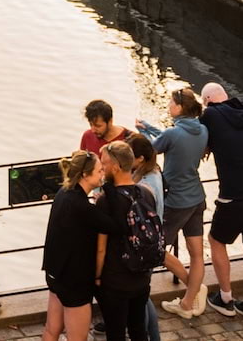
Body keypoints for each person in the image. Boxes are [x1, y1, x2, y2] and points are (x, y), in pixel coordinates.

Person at [198, 82, 243, 323]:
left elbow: (198, 139)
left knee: (216, 241)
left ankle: (225, 299)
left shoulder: (210, 115)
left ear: (207, 100)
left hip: (234, 195)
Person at [140, 86, 209, 317]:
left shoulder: (172, 134)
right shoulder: (203, 130)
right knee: (197, 253)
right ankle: (189, 303)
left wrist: (144, 132)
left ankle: (139, 302)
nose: (169, 105)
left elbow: (152, 150)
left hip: (176, 202)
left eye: (171, 102)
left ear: (180, 107)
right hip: (197, 197)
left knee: (155, 249)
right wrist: (149, 127)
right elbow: (170, 140)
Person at [82, 139, 160, 341]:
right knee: (138, 329)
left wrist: (97, 277)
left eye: (104, 164)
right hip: (142, 275)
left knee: (115, 333)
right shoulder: (146, 193)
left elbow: (101, 248)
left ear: (115, 167)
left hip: (115, 279)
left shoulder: (106, 200)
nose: (102, 168)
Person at [38, 150, 100, 341]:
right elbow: (116, 226)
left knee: (52, 329)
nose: (102, 174)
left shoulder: (63, 193)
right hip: (75, 282)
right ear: (85, 175)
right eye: (99, 171)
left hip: (55, 273)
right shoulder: (82, 206)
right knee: (77, 337)